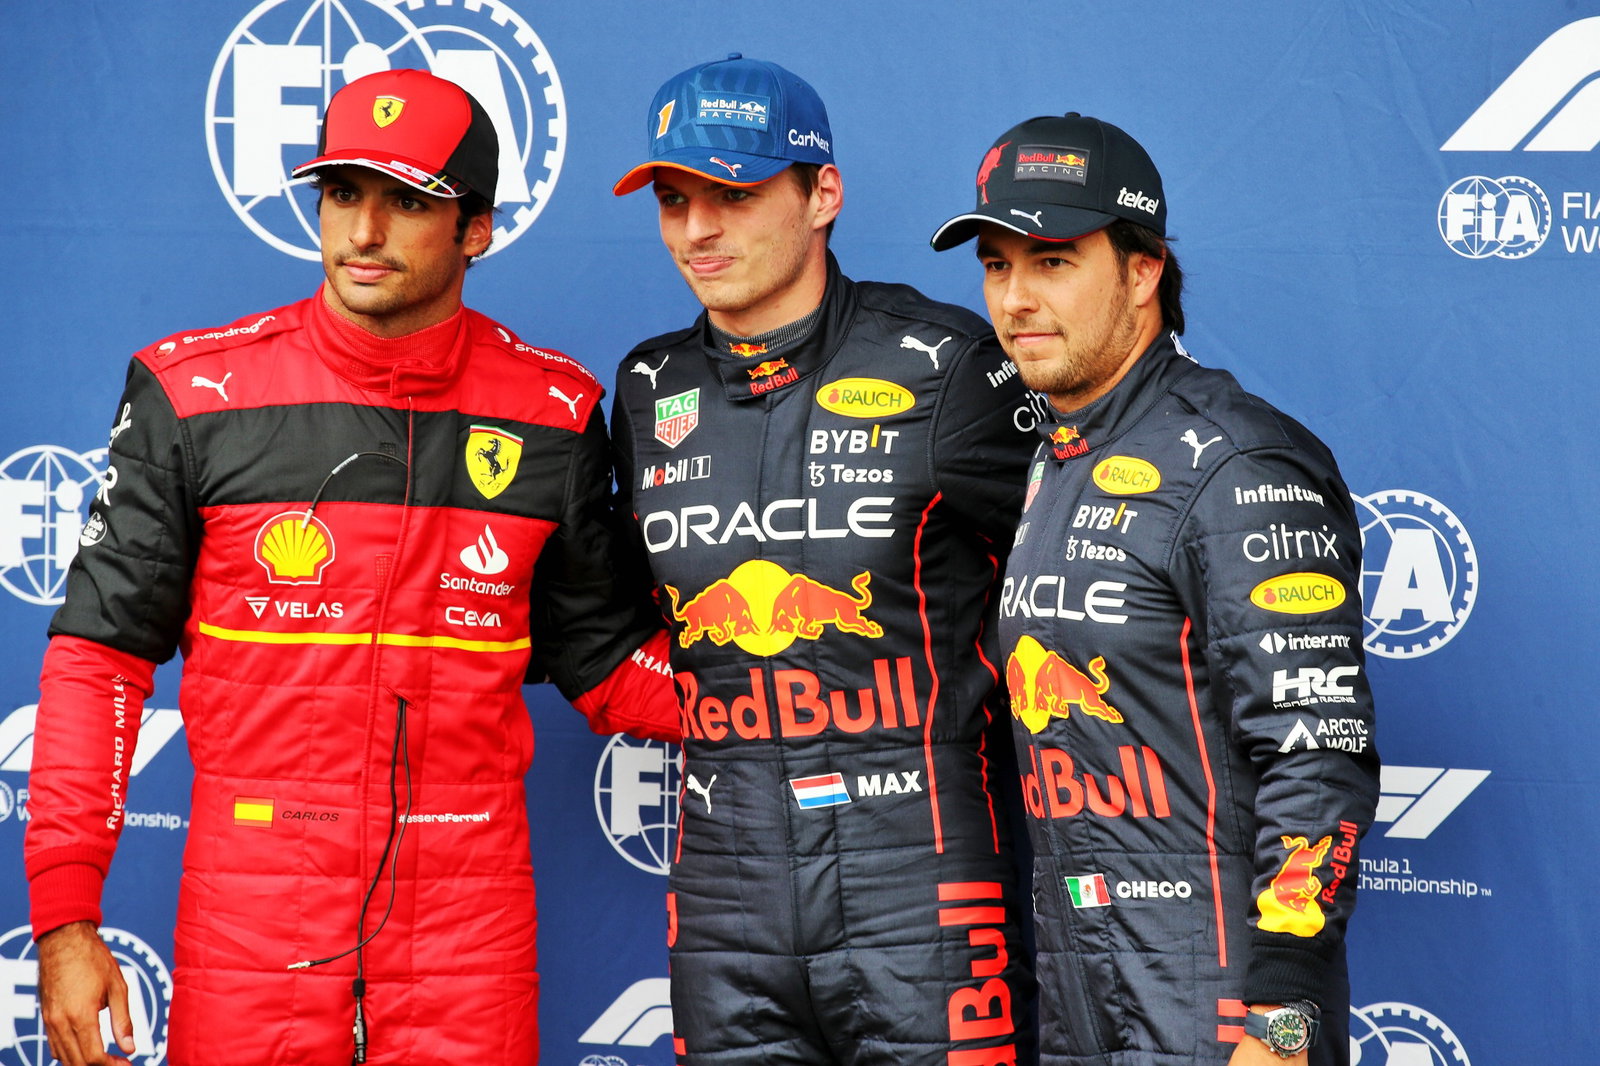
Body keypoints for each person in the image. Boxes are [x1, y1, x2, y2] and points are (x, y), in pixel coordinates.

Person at [24, 68, 678, 1066]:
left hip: (468, 928)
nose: (363, 232)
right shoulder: (192, 394)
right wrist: (66, 917)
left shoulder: (549, 414)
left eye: (407, 202)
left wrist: (806, 678)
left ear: (476, 229)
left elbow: (607, 663)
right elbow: (98, 660)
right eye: (341, 195)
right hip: (252, 919)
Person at [609, 54, 1040, 1066]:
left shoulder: (947, 365)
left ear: (822, 195)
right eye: (675, 200)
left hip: (923, 873)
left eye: (733, 194)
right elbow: (614, 608)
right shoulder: (645, 385)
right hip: (726, 885)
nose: (697, 231)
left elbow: (1066, 577)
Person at [930, 113, 1380, 1065]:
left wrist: (1284, 1021)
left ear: (1143, 272)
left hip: (1216, 1002)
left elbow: (1317, 755)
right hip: (1079, 982)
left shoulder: (1239, 461)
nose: (1014, 298)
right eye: (998, 265)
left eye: (1052, 260)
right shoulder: (1056, 454)